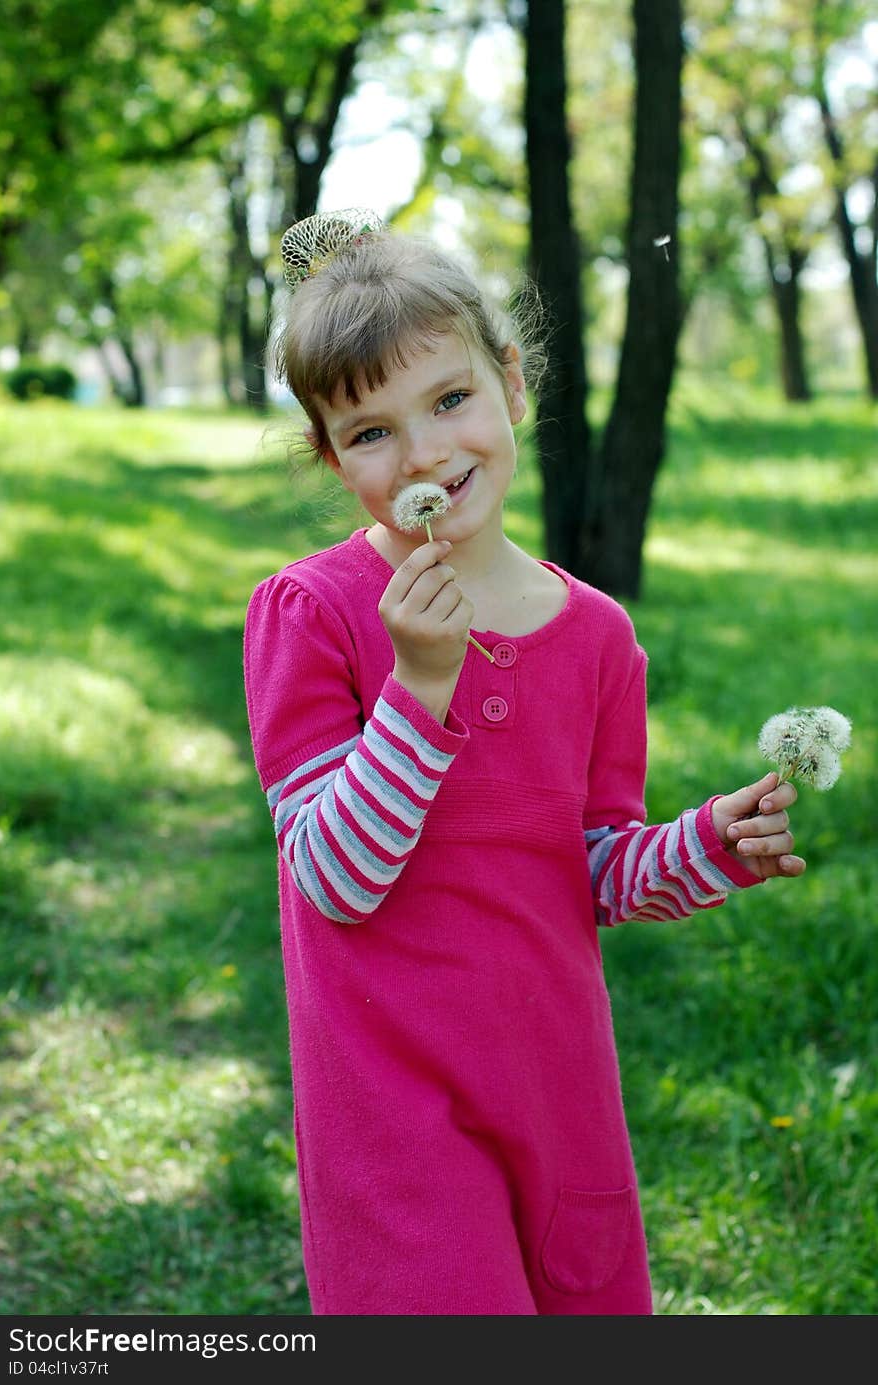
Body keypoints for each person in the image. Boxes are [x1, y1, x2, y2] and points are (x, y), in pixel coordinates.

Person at [242, 208, 805, 1316]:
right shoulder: (312, 615)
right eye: (370, 431)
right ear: (330, 453)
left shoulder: (596, 635)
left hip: (558, 1095)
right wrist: (420, 684)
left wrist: (706, 845)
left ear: (511, 383)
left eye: (449, 399)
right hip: (393, 1119)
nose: (425, 455)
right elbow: (334, 877)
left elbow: (591, 864)